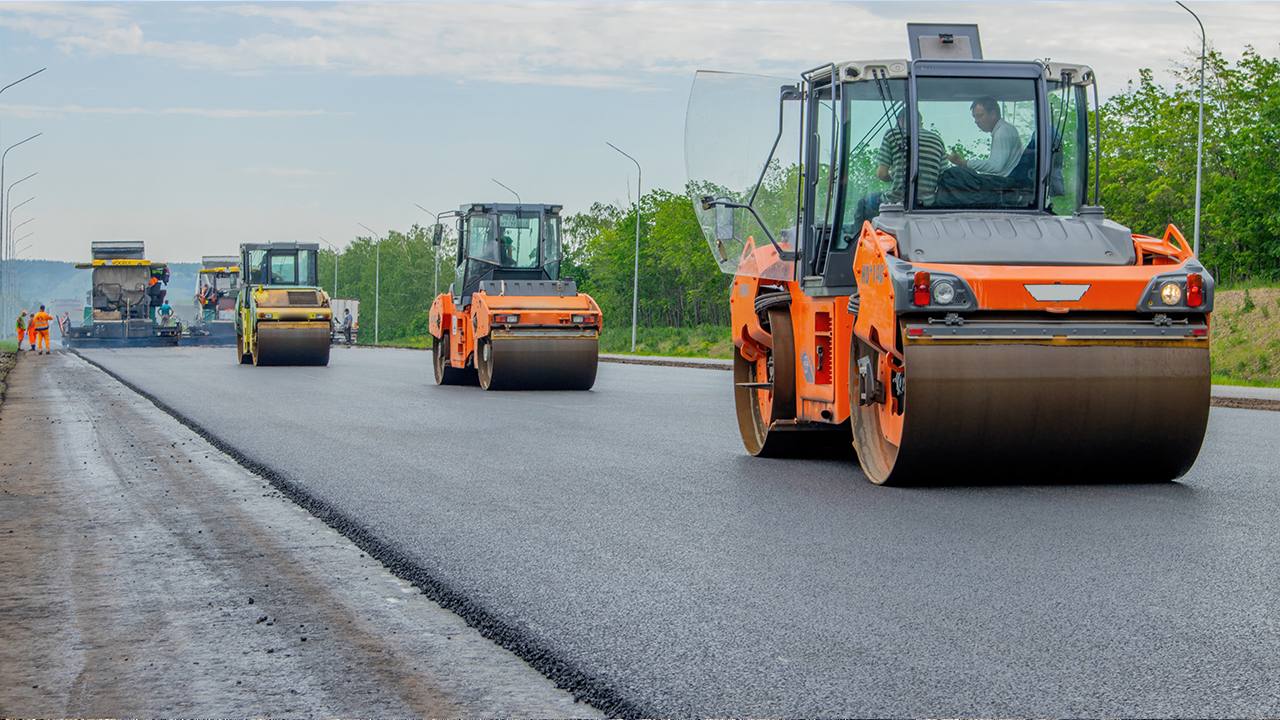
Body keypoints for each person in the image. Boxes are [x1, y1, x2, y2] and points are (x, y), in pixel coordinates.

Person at [848, 109, 947, 240]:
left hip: (897, 200)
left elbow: (881, 173)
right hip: (928, 202)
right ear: (920, 122)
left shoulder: (892, 134)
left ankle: (858, 241)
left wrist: (893, 178)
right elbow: (943, 176)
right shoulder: (937, 139)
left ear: (900, 121)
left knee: (864, 203)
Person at [947, 96, 1023, 176]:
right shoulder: (1005, 129)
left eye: (980, 116)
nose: (976, 121)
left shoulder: (1002, 131)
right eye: (975, 117)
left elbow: (996, 166)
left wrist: (965, 163)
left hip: (1005, 184)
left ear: (993, 114)